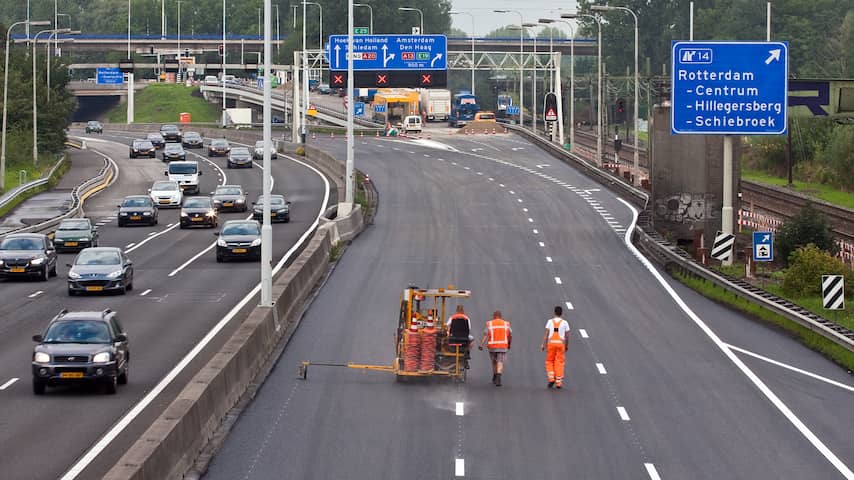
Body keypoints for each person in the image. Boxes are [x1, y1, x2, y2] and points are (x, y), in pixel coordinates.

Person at [479, 310, 512, 386]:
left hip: (492, 347)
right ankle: (498, 378)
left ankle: (494, 376)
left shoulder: (490, 324)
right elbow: (510, 335)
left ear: (494, 316)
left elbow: (485, 335)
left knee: (494, 362)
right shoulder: (506, 324)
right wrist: (509, 343)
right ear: (501, 316)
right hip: (502, 346)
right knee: (500, 362)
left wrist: (481, 344)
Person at [541, 306, 570, 389]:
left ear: (554, 312)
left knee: (549, 361)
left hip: (551, 344)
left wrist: (543, 344)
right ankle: (558, 382)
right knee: (559, 362)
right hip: (560, 344)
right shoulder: (565, 323)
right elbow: (567, 336)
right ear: (562, 313)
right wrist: (566, 346)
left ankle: (551, 378)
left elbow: (546, 334)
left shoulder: (550, 322)